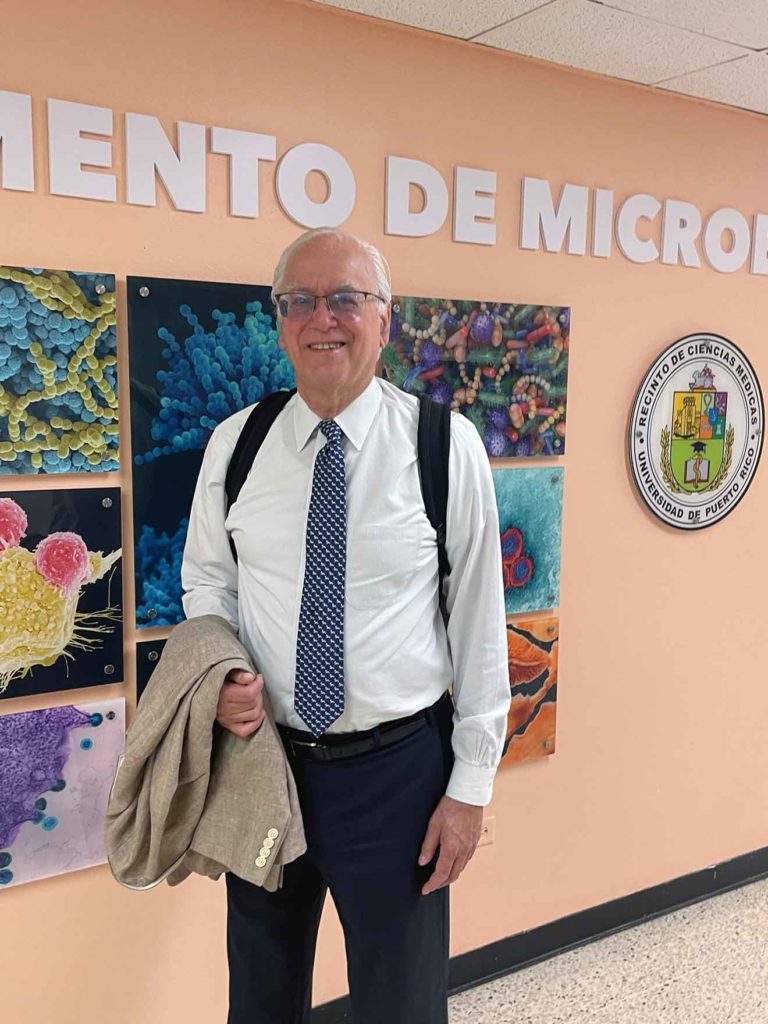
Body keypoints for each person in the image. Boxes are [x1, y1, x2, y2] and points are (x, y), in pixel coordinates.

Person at [181, 228, 510, 1024]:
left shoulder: (443, 446)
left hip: (398, 780)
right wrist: (222, 673)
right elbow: (208, 582)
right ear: (279, 320)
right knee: (260, 999)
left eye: (345, 299)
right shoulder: (237, 445)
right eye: (300, 301)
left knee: (402, 1006)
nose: (322, 318)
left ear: (385, 319)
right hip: (265, 766)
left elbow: (479, 623)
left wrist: (469, 790)